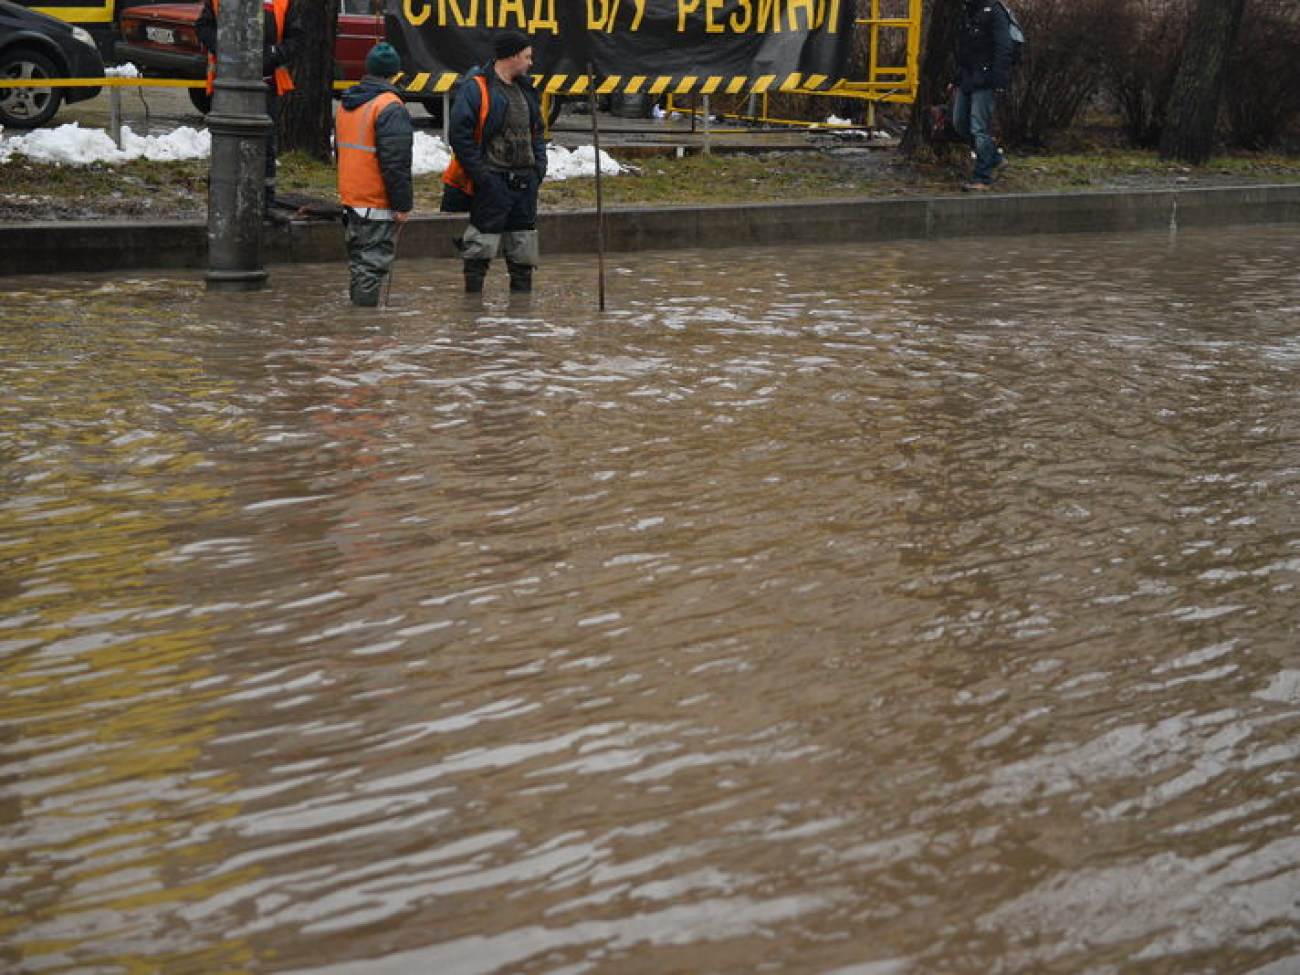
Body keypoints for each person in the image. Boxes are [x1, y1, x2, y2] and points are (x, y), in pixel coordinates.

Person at [441, 30, 547, 294]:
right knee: (480, 247)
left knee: (524, 250)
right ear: (512, 56)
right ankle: (472, 312)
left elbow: (537, 131)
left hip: (525, 183)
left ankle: (520, 314)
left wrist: (538, 169)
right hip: (492, 182)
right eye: (527, 57)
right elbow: (460, 136)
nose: (530, 62)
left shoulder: (526, 88)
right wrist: (483, 177)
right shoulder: (477, 88)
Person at [197, 0, 302, 217]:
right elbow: (203, 28)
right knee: (227, 145)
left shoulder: (281, 3)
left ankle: (266, 202)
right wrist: (226, 47)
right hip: (229, 86)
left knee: (265, 146)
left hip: (265, 84)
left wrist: (273, 54)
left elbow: (297, 38)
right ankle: (224, 201)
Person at [335, 43, 413, 308]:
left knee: (359, 265)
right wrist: (402, 206)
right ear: (395, 73)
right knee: (371, 267)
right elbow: (396, 165)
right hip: (376, 203)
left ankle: (357, 322)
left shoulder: (348, 104)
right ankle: (365, 332)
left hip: (351, 198)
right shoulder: (390, 107)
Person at [952, 0, 1015, 191]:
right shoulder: (969, 10)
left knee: (979, 127)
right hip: (969, 76)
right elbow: (964, 49)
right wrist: (956, 78)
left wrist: (998, 79)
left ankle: (982, 176)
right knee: (959, 124)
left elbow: (1003, 47)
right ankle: (993, 157)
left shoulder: (995, 11)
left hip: (986, 78)